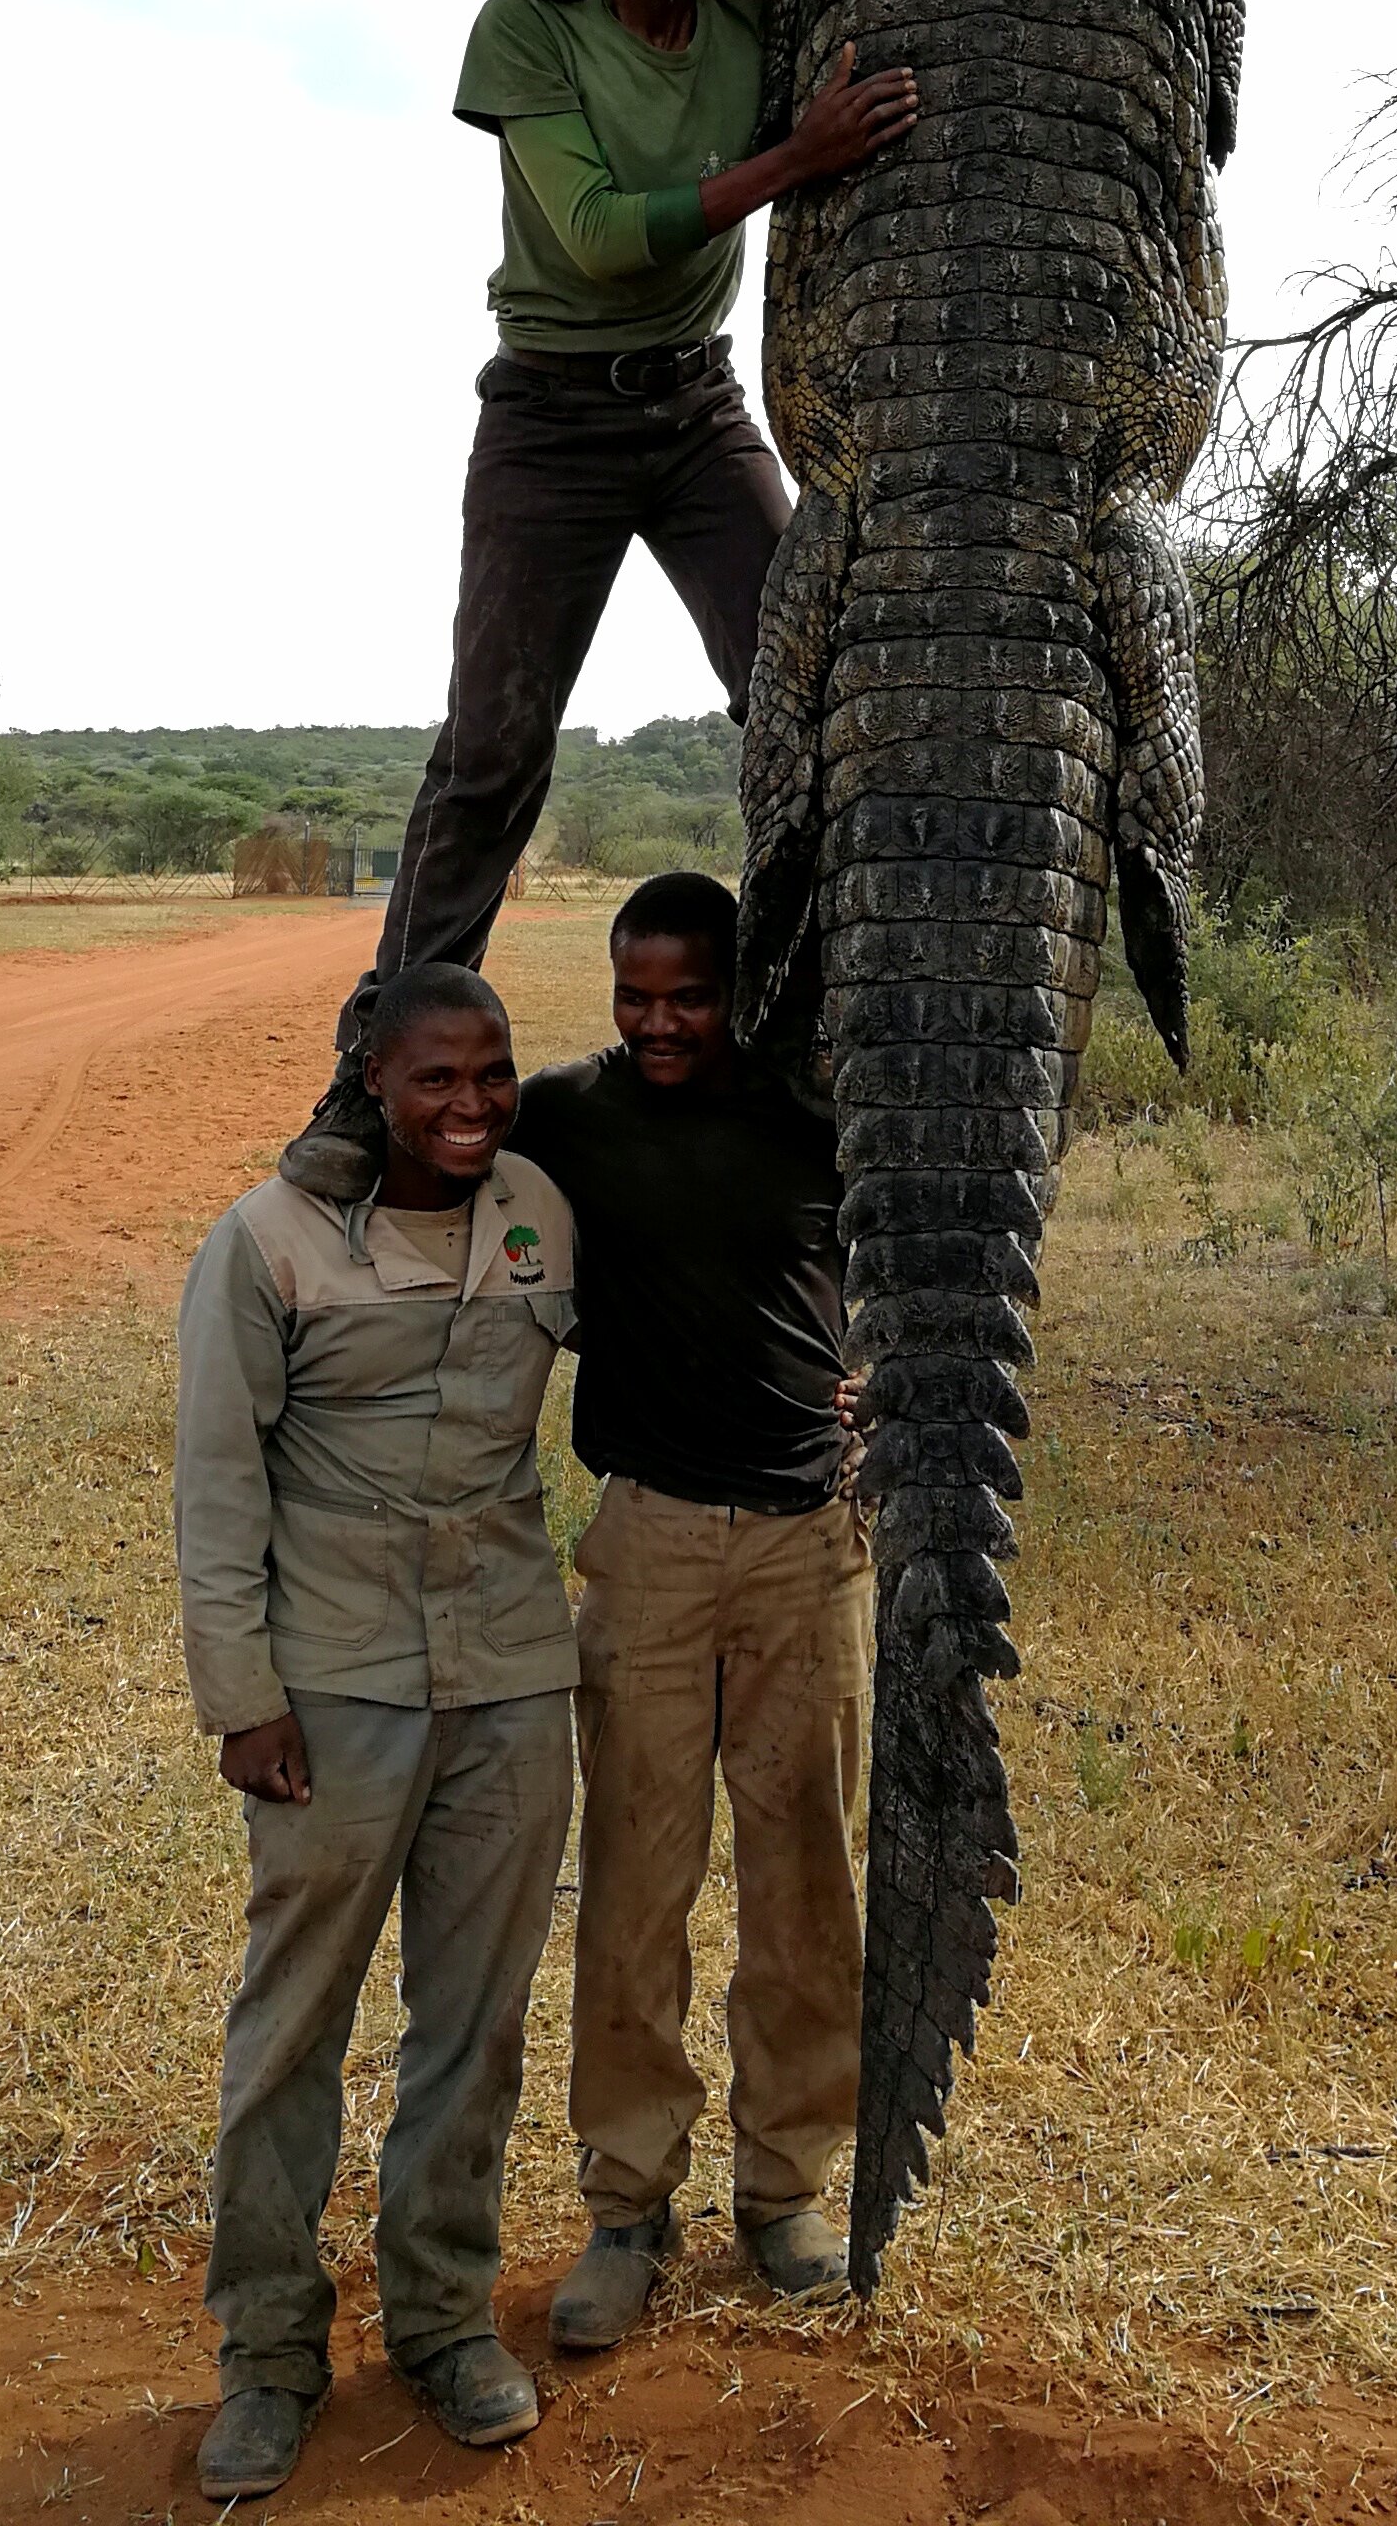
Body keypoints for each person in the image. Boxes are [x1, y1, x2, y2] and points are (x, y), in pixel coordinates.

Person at [280, 0, 916, 1203]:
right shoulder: (526, 31)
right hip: (551, 417)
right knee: (493, 755)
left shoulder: (750, 23)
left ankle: (800, 1036)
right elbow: (592, 236)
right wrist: (794, 160)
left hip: (697, 407)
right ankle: (363, 1081)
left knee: (806, 701)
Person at [175, 963, 579, 2501]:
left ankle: (443, 2322)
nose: (470, 1106)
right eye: (435, 1081)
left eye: (493, 1076)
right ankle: (269, 2356)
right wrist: (242, 1700)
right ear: (366, 1075)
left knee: (474, 2025)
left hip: (512, 1675)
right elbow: (217, 1486)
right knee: (295, 2029)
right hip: (332, 1684)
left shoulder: (542, 1206)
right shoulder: (266, 1241)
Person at [510, 871, 870, 2344]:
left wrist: (889, 1381)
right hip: (647, 1541)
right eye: (636, 997)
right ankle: (626, 2201)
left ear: (741, 990)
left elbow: (924, 1264)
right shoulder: (563, 1117)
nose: (661, 1025)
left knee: (804, 1883)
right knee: (636, 1884)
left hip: (809, 1547)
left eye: (691, 996)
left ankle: (785, 2192)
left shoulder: (818, 1116)